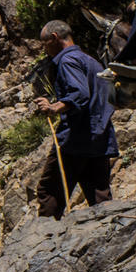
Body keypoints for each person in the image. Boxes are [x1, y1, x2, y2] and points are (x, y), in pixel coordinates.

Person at [33, 20, 118, 218]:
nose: (44, 50)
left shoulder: (67, 61)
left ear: (54, 38)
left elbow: (79, 93)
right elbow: (108, 97)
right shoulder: (92, 62)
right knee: (99, 197)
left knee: (49, 192)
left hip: (75, 140)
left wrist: (54, 107)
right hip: (100, 138)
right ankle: (107, 237)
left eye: (44, 44)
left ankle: (45, 241)